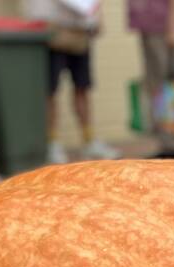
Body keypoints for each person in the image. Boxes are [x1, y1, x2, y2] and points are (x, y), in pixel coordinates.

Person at [25, 0, 120, 164]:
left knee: (82, 88)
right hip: (52, 30)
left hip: (80, 32)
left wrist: (98, 18)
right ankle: (52, 143)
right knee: (50, 91)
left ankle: (89, 140)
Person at [127, 0, 174, 158]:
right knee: (164, 86)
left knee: (169, 86)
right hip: (154, 29)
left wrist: (172, 28)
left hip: (162, 30)